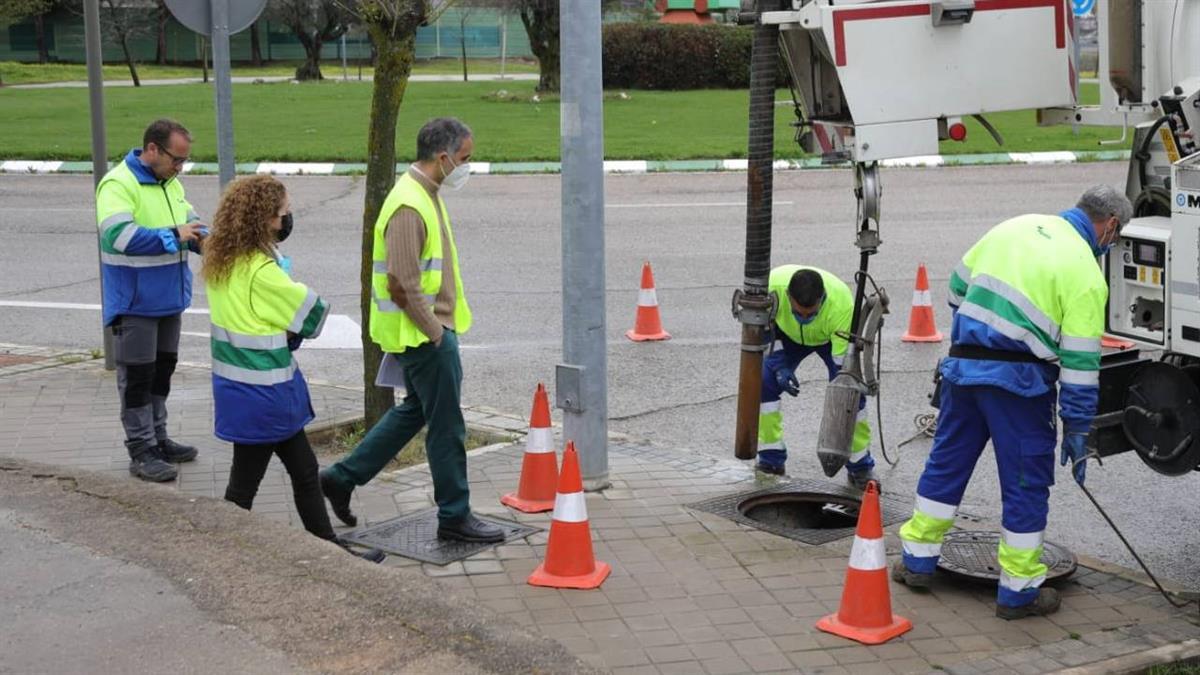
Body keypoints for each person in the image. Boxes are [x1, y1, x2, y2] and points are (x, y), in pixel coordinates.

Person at [892, 185, 1131, 619]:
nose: (1110, 246)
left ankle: (916, 563)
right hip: (1021, 387)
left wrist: (979, 337)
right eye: (1115, 238)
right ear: (1110, 225)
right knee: (1025, 483)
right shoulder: (1085, 273)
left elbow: (957, 289)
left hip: (963, 373)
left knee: (946, 466)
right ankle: (1018, 592)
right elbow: (1079, 365)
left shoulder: (1014, 227)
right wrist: (1077, 428)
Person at [320, 118, 503, 544]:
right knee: (447, 426)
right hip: (423, 335)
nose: (467, 167)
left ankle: (342, 478)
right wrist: (436, 334)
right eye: (464, 159)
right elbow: (402, 282)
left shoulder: (425, 193)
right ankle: (455, 515)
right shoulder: (409, 204)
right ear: (443, 158)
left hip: (422, 332)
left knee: (415, 411)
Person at [202, 175, 384, 563]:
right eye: (284, 213)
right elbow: (313, 314)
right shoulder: (261, 273)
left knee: (302, 470)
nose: (288, 219)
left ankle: (327, 548)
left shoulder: (224, 259)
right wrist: (282, 277)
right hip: (266, 395)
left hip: (240, 390)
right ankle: (221, 554)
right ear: (265, 219)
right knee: (244, 487)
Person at [96, 119, 206, 482]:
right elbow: (119, 236)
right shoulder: (118, 183)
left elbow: (193, 224)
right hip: (134, 303)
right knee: (138, 379)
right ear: (153, 149)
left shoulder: (170, 184)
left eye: (184, 162)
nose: (180, 168)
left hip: (168, 300)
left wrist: (205, 239)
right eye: (176, 159)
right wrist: (176, 234)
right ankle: (141, 450)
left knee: (162, 374)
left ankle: (158, 438)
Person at [757, 265, 877, 489]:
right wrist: (779, 366)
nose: (804, 318)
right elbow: (763, 333)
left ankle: (860, 465)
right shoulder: (770, 290)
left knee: (852, 396)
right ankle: (770, 458)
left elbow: (843, 368)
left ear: (822, 299)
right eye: (798, 313)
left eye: (811, 314)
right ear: (787, 297)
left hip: (829, 339)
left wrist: (842, 391)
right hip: (785, 335)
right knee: (763, 382)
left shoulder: (841, 307)